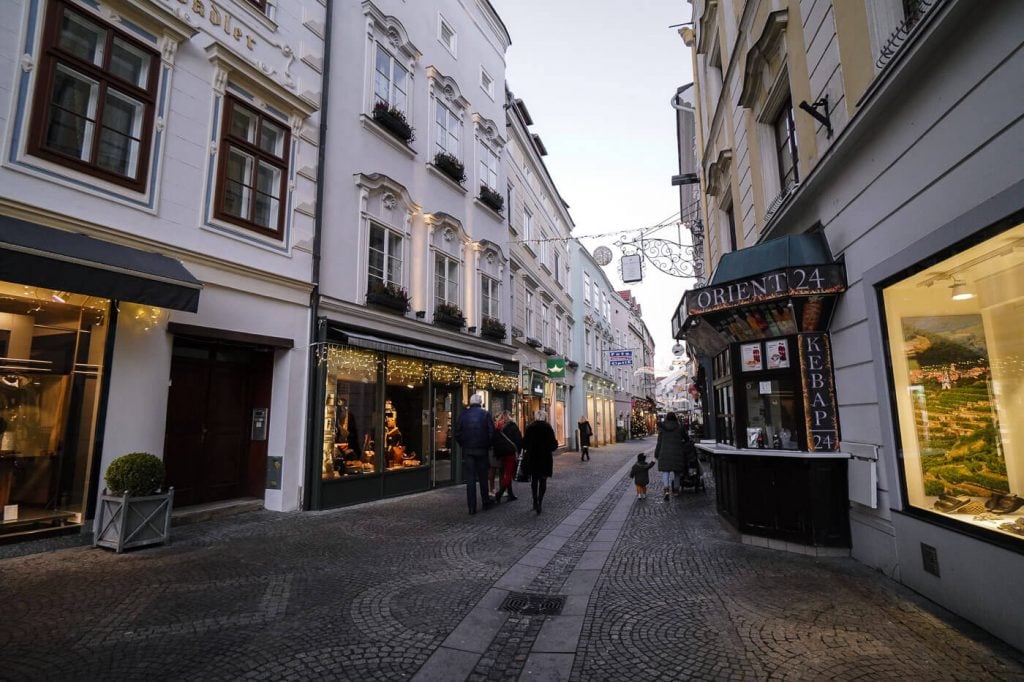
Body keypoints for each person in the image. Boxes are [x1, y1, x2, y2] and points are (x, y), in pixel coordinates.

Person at [454, 393, 495, 515]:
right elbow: (491, 432)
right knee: (483, 477)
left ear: (470, 402)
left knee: (470, 479)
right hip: (482, 450)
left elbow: (457, 432)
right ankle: (485, 501)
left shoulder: (463, 414)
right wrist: (487, 445)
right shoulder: (485, 414)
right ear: (480, 402)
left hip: (468, 450)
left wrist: (463, 444)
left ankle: (471, 507)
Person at [522, 409, 557, 514]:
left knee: (534, 480)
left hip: (533, 458)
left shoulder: (530, 427)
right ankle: (540, 502)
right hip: (545, 458)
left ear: (536, 417)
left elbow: (524, 444)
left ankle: (534, 501)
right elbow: (553, 445)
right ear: (545, 417)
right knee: (543, 480)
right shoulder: (548, 427)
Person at [654, 411, 689, 501]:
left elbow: (659, 442)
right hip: (677, 453)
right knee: (677, 472)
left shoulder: (662, 428)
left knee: (666, 472)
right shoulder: (679, 427)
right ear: (675, 418)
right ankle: (676, 490)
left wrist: (657, 453)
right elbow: (687, 439)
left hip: (664, 452)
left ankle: (666, 490)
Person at [493, 410, 523, 502]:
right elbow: (518, 440)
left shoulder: (499, 426)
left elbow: (495, 440)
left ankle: (510, 494)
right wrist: (519, 451)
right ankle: (500, 493)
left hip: (501, 453)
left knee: (505, 473)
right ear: (510, 416)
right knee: (509, 473)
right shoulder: (513, 426)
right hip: (510, 453)